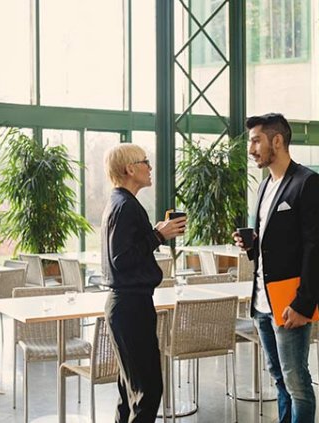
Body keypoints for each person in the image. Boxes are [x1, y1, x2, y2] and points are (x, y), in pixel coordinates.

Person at [233, 113, 319, 423]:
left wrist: (304, 303)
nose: (250, 148)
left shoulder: (309, 183)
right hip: (263, 302)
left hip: (291, 303)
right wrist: (251, 244)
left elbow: (315, 249)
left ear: (277, 140)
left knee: (296, 382)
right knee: (279, 380)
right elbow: (276, 244)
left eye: (255, 140)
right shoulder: (265, 186)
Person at [101, 144, 186, 422]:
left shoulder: (121, 203)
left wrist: (157, 234)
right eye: (145, 162)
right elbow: (121, 259)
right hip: (130, 306)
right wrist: (158, 236)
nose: (150, 167)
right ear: (130, 169)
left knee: (130, 391)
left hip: (128, 305)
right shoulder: (125, 206)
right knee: (148, 391)